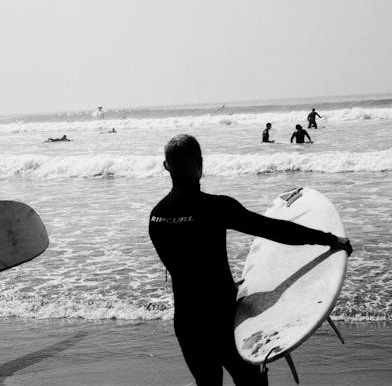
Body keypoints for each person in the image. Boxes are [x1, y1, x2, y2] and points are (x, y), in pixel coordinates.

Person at [148, 135, 352, 386]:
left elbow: (184, 269)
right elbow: (273, 229)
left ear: (166, 166)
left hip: (188, 324)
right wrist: (330, 238)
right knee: (251, 383)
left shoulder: (156, 217)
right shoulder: (215, 207)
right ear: (200, 163)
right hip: (221, 320)